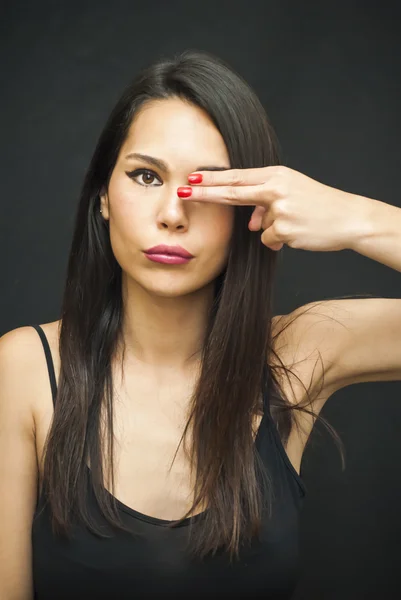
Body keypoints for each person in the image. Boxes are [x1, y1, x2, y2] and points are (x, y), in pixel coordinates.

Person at [0, 49, 400, 600]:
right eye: (145, 176)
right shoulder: (25, 368)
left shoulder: (301, 352)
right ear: (103, 199)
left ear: (249, 208)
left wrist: (360, 220)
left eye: (207, 187)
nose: (172, 212)